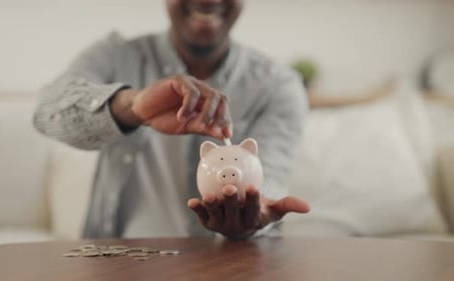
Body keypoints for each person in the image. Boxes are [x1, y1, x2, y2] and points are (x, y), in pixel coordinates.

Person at [33, 0, 309, 240]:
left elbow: (270, 175)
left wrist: (254, 214)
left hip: (227, 268)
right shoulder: (115, 55)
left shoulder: (277, 85)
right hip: (118, 265)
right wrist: (132, 105)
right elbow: (47, 113)